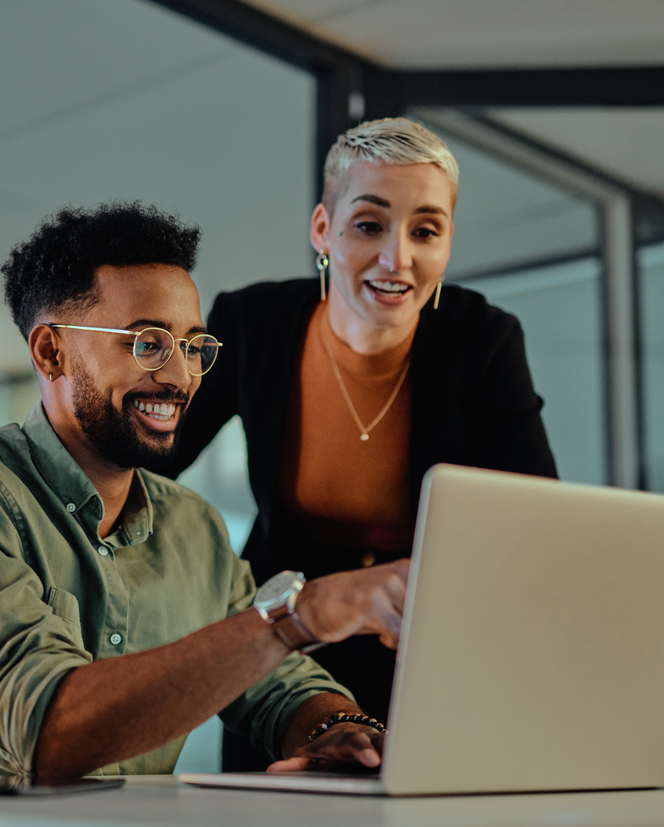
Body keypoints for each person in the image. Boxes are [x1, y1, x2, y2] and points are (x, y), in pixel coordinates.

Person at [0, 202, 411, 782]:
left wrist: (339, 731)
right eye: (147, 343)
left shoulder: (194, 527)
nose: (181, 377)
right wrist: (301, 614)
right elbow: (42, 730)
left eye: (193, 347)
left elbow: (279, 686)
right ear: (51, 352)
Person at [157, 118, 558, 768]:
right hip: (287, 641)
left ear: (447, 241)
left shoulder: (482, 338)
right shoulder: (253, 323)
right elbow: (150, 464)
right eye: (369, 225)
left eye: (425, 231)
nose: (397, 259)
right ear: (322, 229)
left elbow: (534, 518)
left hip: (425, 638)